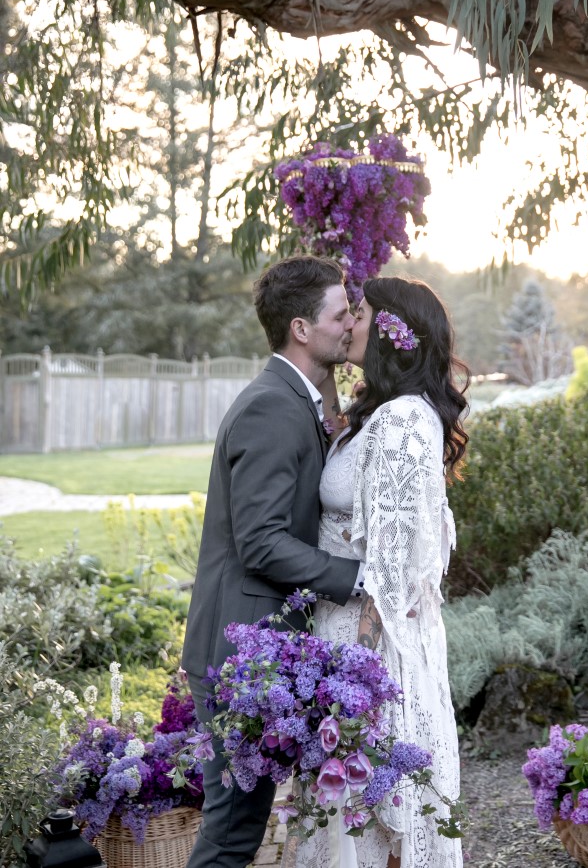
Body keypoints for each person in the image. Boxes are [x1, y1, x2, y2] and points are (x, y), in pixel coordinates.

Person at [182, 255, 364, 868]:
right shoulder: (272, 407)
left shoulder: (295, 398)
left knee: (239, 829)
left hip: (251, 650)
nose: (350, 324)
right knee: (232, 836)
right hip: (239, 655)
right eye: (340, 315)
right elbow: (260, 542)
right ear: (301, 329)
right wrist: (357, 578)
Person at [285, 276, 470, 868]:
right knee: (352, 821)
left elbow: (391, 575)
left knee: (377, 820)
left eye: (359, 314)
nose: (349, 323)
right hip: (343, 636)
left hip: (373, 652)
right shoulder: (379, 415)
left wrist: (356, 687)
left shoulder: (401, 423)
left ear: (391, 332)